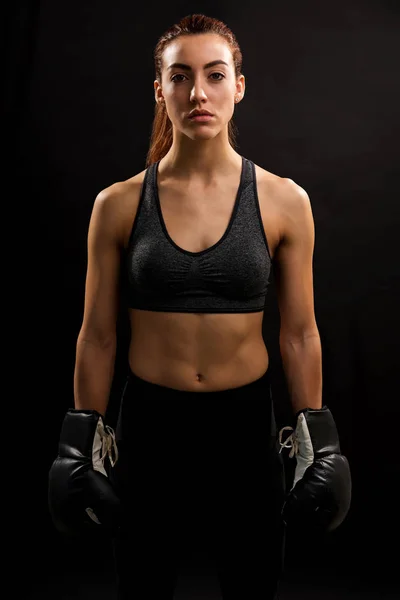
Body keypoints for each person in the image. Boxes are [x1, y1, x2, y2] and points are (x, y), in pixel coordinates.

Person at [48, 13, 352, 600]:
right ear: (160, 90)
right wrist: (77, 440)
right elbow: (97, 336)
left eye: (215, 75)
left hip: (242, 426)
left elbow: (300, 333)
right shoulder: (117, 204)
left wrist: (321, 436)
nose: (198, 93)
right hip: (151, 425)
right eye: (180, 77)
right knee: (144, 584)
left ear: (239, 85)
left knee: (251, 584)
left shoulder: (284, 201)